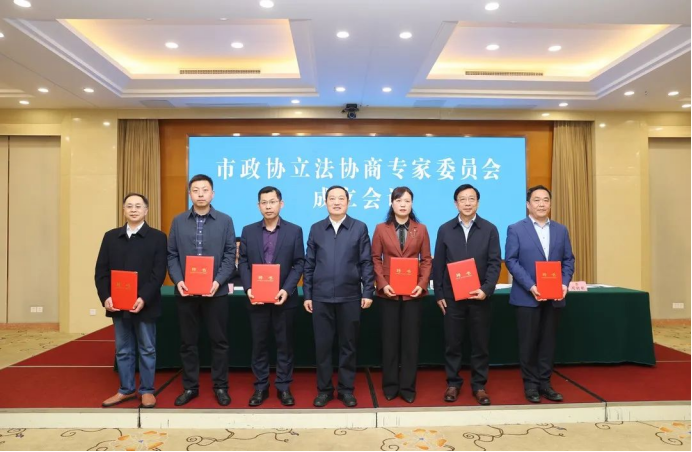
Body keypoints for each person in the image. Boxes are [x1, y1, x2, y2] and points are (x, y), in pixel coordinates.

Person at [167, 174, 237, 407]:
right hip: (186, 292)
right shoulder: (178, 221)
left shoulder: (225, 221)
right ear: (190, 194)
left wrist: (218, 281)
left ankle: (220, 387)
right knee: (188, 343)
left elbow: (230, 255)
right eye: (195, 190)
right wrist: (178, 281)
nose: (200, 194)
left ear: (212, 194)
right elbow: (172, 255)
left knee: (220, 342)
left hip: (216, 292)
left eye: (205, 190)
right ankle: (190, 387)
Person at [303, 185, 375, 408]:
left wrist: (368, 291)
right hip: (321, 297)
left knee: (348, 345)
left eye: (341, 198)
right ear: (325, 202)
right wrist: (307, 295)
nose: (336, 202)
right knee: (322, 346)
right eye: (332, 198)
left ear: (348, 202)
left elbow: (366, 262)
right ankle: (324, 390)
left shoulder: (359, 227)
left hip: (350, 296)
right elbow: (309, 264)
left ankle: (346, 390)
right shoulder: (316, 229)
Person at [95, 193, 167, 409]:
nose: (133, 210)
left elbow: (158, 273)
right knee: (123, 349)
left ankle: (147, 390)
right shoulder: (111, 237)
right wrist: (105, 297)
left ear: (146, 210)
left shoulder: (157, 237)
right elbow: (101, 271)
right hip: (117, 304)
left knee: (147, 348)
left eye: (138, 206)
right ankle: (125, 389)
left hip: (145, 303)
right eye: (129, 206)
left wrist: (143, 297)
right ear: (124, 210)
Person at [505, 185, 575, 403]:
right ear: (528, 205)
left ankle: (545, 383)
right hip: (527, 296)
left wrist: (564, 284)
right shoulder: (516, 229)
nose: (541, 204)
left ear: (550, 204)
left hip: (554, 297)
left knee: (548, 342)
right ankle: (530, 385)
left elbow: (568, 260)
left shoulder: (561, 230)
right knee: (528, 343)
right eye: (536, 200)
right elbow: (511, 261)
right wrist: (531, 286)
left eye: (545, 200)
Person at [433, 184, 501, 406]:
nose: (467, 203)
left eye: (472, 199)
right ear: (456, 204)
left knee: (480, 344)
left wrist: (486, 289)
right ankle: (453, 383)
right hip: (452, 297)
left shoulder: (490, 229)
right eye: (463, 199)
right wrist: (439, 294)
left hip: (479, 297)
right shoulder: (445, 229)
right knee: (452, 343)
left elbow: (494, 263)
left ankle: (479, 385)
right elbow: (439, 264)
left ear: (478, 203)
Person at [238, 186, 305, 407]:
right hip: (256, 298)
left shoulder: (294, 231)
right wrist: (248, 288)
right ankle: (260, 387)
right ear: (258, 206)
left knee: (285, 345)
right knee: (259, 345)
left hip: (283, 299)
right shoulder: (248, 231)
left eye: (272, 202)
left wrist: (286, 289)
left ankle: (284, 387)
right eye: (264, 203)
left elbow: (299, 263)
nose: (268, 206)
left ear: (281, 204)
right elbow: (243, 262)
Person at [371, 187, 432, 403]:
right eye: (399, 200)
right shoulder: (381, 229)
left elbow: (426, 260)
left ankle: (407, 387)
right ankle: (390, 386)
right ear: (392, 203)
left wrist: (422, 284)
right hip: (388, 293)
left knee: (410, 342)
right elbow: (375, 258)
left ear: (412, 204)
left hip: (413, 293)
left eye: (407, 201)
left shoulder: (421, 229)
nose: (403, 204)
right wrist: (382, 283)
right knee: (389, 342)